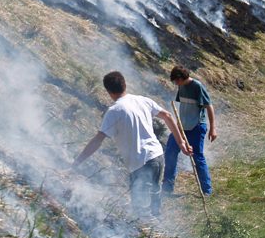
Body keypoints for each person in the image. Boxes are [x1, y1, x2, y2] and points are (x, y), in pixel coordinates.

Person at [72, 71, 191, 219]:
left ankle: (150, 232)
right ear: (125, 85)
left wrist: (77, 162)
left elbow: (98, 139)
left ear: (108, 91)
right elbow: (167, 116)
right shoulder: (142, 100)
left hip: (140, 162)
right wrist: (181, 143)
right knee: (155, 196)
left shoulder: (114, 111)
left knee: (141, 209)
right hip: (157, 156)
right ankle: (158, 227)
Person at [162, 65, 216, 197]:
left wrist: (213, 128)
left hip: (196, 127)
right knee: (170, 150)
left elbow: (209, 107)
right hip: (182, 127)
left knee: (197, 156)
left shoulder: (197, 86)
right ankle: (167, 187)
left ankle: (206, 190)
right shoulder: (181, 87)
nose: (175, 83)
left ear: (181, 77)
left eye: (176, 80)